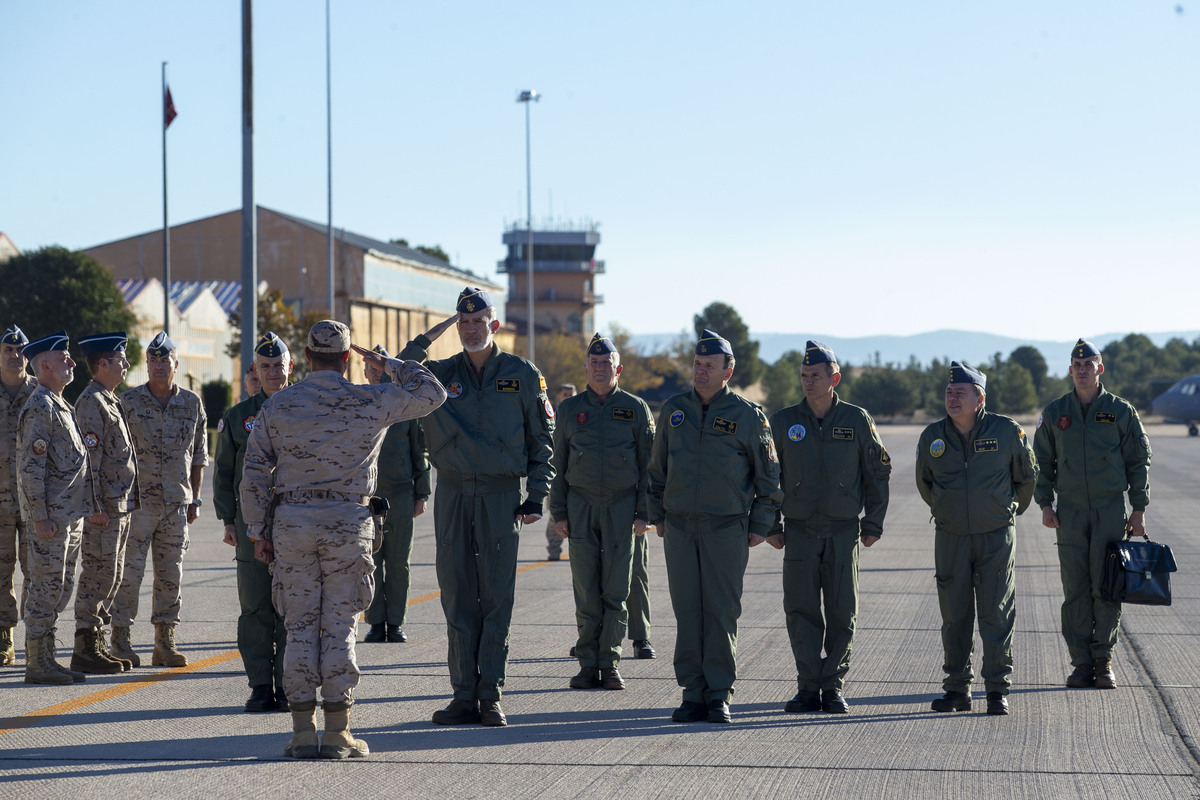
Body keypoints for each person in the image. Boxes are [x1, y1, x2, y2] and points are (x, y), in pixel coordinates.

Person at [240, 320, 445, 760]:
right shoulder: (370, 398)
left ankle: (300, 732)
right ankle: (336, 732)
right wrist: (390, 363)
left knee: (298, 627)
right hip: (348, 523)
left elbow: (254, 471)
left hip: (292, 523)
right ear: (349, 358)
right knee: (339, 627)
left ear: (307, 356)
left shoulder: (279, 404)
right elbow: (433, 393)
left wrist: (258, 531)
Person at [398, 287, 555, 728]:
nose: (470, 328)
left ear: (494, 324)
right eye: (462, 321)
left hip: (501, 495)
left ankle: (491, 696)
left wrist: (536, 496)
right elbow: (403, 371)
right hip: (451, 492)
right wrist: (433, 335)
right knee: (456, 593)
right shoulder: (442, 372)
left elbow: (544, 439)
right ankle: (463, 694)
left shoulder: (522, 374)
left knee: (496, 596)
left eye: (477, 320)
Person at [647, 329, 782, 724]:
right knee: (688, 610)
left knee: (721, 611)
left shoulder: (747, 415)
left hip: (727, 528)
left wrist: (761, 523)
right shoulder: (674, 410)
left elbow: (769, 477)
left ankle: (719, 693)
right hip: (680, 528)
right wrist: (658, 515)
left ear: (728, 370)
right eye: (697, 364)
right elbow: (657, 471)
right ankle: (692, 693)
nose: (700, 371)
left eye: (709, 366)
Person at [767, 340, 890, 714]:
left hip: (842, 531)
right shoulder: (784, 421)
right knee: (800, 611)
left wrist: (873, 521)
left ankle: (833, 686)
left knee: (842, 612)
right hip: (800, 531)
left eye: (815, 375)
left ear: (834, 378)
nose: (808, 381)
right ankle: (807, 687)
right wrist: (770, 522)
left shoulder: (856, 420)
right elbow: (768, 476)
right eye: (803, 375)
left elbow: (877, 471)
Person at [915, 361, 1037, 716]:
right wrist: (947, 510)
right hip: (951, 537)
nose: (952, 398)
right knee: (955, 616)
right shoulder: (933, 436)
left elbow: (1026, 479)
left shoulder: (1006, 432)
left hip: (995, 537)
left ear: (979, 398)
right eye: (949, 392)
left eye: (960, 392)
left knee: (996, 614)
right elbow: (926, 483)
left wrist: (1004, 512)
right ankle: (956, 690)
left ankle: (997, 690)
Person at [1033, 338, 1152, 690]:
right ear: (1070, 370)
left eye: (1089, 364)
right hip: (1069, 511)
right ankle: (1081, 663)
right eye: (1077, 365)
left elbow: (1138, 460)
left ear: (1100, 369)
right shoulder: (1056, 413)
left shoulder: (1120, 411)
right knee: (1075, 589)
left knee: (1108, 586)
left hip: (1110, 509)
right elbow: (1041, 461)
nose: (1083, 370)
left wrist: (1139, 508)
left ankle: (1103, 660)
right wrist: (1044, 503)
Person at [549, 334, 654, 691]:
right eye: (593, 363)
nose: (599, 368)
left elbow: (648, 467)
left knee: (616, 590)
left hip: (622, 508)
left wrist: (644, 513)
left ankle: (609, 663)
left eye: (606, 363)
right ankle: (587, 664)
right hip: (580, 507)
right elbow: (558, 463)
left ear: (618, 369)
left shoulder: (636, 409)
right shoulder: (568, 409)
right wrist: (558, 511)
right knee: (586, 590)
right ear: (585, 368)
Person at [111, 332, 207, 668]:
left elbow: (199, 456)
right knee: (129, 574)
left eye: (164, 359)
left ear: (175, 364)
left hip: (176, 505)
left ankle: (164, 642)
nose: (158, 365)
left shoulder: (192, 403)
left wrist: (195, 499)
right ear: (146, 364)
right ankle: (120, 639)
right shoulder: (129, 402)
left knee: (171, 575)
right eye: (153, 360)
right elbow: (114, 454)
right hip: (137, 506)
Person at [213, 332, 293, 712]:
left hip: (297, 523)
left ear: (291, 367)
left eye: (279, 365)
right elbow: (226, 471)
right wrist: (228, 519)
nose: (274, 372)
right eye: (266, 367)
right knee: (256, 608)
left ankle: (290, 683)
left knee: (293, 609)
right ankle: (261, 686)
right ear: (256, 372)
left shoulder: (306, 408)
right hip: (251, 526)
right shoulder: (238, 417)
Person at [16, 331, 96, 684]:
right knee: (45, 587)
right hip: (51, 518)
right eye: (64, 357)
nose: (72, 362)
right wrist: (39, 516)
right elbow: (30, 467)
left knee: (59, 587)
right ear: (45, 365)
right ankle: (36, 662)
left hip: (68, 515)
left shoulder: (58, 402)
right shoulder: (40, 406)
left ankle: (47, 654)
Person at [71, 332, 140, 674]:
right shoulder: (91, 403)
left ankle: (96, 640)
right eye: (120, 360)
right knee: (97, 574)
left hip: (119, 506)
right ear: (102, 363)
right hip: (104, 510)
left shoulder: (109, 399)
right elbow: (89, 462)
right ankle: (85, 646)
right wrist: (94, 506)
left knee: (111, 575)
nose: (126, 365)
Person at [361, 344, 431, 646]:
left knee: (399, 563)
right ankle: (376, 623)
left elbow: (419, 450)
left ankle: (396, 622)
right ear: (364, 372)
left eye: (382, 369)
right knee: (370, 560)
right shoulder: (358, 403)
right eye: (372, 369)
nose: (377, 374)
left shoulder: (406, 407)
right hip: (367, 497)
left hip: (401, 495)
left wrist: (422, 493)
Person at [0, 325, 38, 667]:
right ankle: (3, 633)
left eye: (21, 350)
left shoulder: (41, 394)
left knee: (36, 570)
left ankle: (36, 636)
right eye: (8, 350)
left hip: (34, 503)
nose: (15, 356)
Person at [544, 383, 577, 561]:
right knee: (555, 513)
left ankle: (579, 550)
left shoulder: (583, 416)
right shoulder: (550, 417)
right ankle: (554, 548)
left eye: (572, 394)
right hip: (555, 472)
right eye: (565, 394)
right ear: (558, 397)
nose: (569, 398)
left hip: (578, 472)